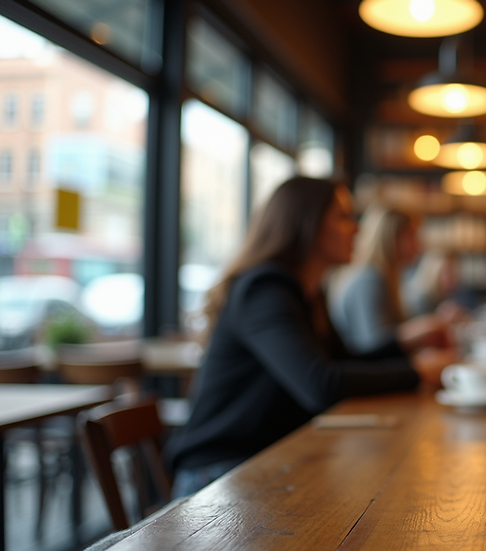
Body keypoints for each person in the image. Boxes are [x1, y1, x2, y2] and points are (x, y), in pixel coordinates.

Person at [166, 178, 452, 497]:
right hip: (218, 477)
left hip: (271, 462)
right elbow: (321, 384)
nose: (356, 229)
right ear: (307, 226)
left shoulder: (308, 292)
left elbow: (344, 362)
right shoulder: (264, 289)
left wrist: (404, 345)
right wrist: (418, 372)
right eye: (343, 218)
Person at [329, 205, 458, 356]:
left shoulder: (388, 278)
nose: (419, 244)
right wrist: (432, 325)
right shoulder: (369, 280)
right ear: (392, 238)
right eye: (412, 235)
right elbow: (374, 345)